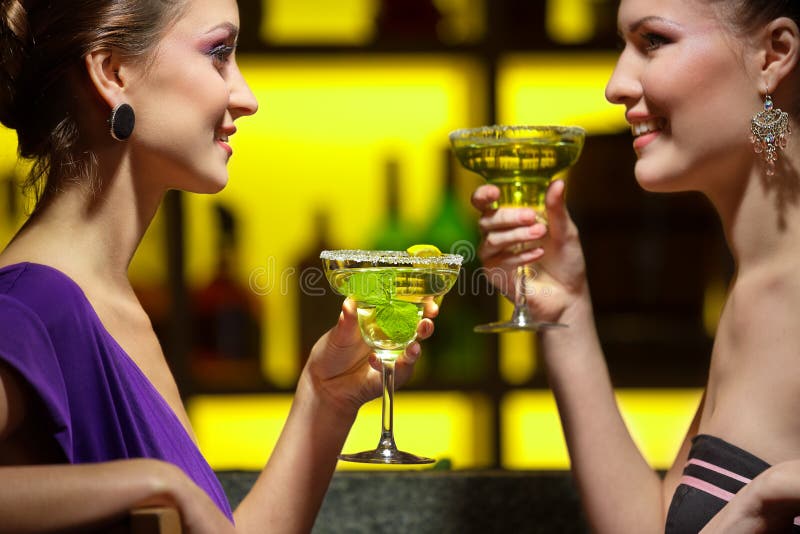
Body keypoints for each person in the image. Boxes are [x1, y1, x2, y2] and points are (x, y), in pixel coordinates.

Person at [0, 1, 432, 532]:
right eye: (218, 53)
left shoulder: (108, 302)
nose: (248, 98)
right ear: (113, 72)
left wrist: (327, 395)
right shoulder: (29, 308)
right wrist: (156, 482)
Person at [472, 0, 800, 532]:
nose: (615, 84)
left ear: (774, 54)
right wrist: (567, 307)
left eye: (654, 41)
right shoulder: (756, 285)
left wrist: (762, 503)